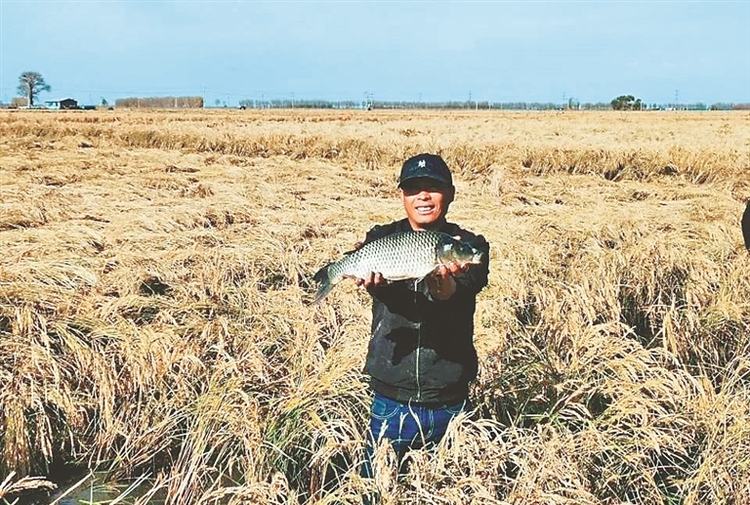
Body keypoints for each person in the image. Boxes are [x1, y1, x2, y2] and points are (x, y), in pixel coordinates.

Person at [353, 153, 490, 481]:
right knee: (379, 488)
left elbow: (456, 292)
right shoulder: (380, 239)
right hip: (391, 398)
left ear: (451, 193)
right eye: (414, 188)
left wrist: (443, 286)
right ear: (402, 196)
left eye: (434, 187)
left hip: (449, 398)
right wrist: (370, 280)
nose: (424, 196)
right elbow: (390, 295)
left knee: (448, 488)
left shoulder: (469, 246)